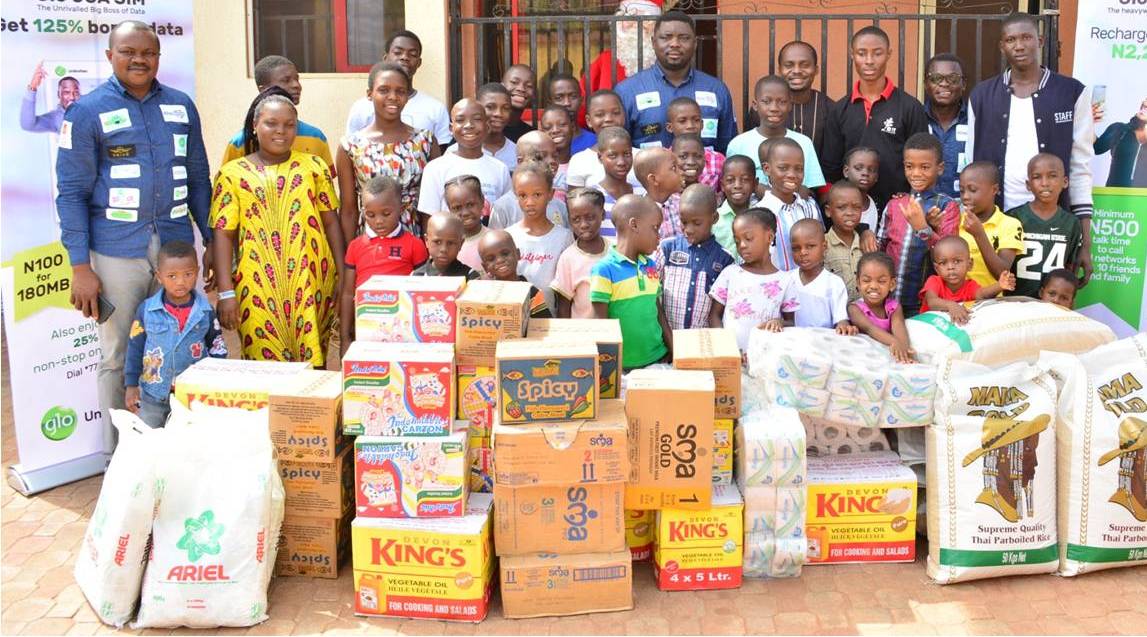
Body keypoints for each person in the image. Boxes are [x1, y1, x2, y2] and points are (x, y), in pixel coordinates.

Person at [57, 21, 214, 451]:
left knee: (183, 342)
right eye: (128, 52)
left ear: (159, 57)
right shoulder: (86, 112)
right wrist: (80, 266)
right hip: (115, 251)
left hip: (175, 250)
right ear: (110, 56)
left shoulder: (181, 106)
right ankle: (119, 457)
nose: (139, 60)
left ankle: (175, 449)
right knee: (118, 354)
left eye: (148, 52)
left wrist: (211, 240)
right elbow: (71, 193)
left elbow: (198, 178)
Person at [212, 93, 345, 367]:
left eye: (289, 125)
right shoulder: (232, 174)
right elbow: (223, 234)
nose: (281, 131)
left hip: (312, 282)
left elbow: (331, 222)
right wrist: (225, 292)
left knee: (312, 364)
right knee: (263, 367)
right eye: (271, 123)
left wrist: (343, 275)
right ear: (254, 126)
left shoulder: (314, 167)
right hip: (257, 286)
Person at [966, 13, 1095, 284]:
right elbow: (970, 164)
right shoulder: (981, 96)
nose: (1019, 46)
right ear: (1002, 46)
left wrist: (1085, 243)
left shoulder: (1072, 93)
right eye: (1011, 40)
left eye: (1026, 37)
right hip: (996, 222)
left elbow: (1080, 168)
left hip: (1052, 226)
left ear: (1040, 41)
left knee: (1047, 299)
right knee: (997, 296)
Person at [822, 26, 928, 209]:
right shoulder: (839, 110)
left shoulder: (910, 107)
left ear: (888, 54)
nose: (869, 61)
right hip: (853, 212)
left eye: (877, 53)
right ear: (852, 55)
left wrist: (911, 198)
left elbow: (922, 161)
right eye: (862, 53)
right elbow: (830, 167)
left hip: (898, 208)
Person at [123, 241, 226, 428]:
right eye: (172, 276)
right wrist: (131, 386)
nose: (180, 282)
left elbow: (217, 348)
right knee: (149, 437)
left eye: (188, 274)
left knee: (188, 439)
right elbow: (135, 348)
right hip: (153, 395)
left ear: (197, 272)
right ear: (159, 276)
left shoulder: (205, 311)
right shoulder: (147, 310)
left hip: (192, 396)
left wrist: (217, 383)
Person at [337, 63, 438, 241]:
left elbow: (433, 205)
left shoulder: (425, 141)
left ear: (407, 96)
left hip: (415, 239)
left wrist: (430, 249)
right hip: (370, 243)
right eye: (384, 90)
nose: (393, 97)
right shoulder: (351, 146)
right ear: (370, 94)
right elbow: (349, 210)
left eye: (400, 91)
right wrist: (349, 255)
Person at [615, 11, 737, 153]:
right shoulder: (628, 91)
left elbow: (728, 149)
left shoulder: (716, 90)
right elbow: (618, 150)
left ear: (695, 43)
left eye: (684, 38)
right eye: (666, 37)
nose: (675, 44)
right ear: (653, 42)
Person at [877, 132, 960, 317]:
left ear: (940, 168)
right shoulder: (895, 204)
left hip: (924, 304)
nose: (915, 173)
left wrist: (923, 229)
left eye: (924, 167)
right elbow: (881, 249)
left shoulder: (947, 206)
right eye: (909, 166)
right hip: (888, 300)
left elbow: (949, 258)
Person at [591, 194, 672, 368]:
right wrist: (606, 369)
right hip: (621, 367)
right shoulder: (604, 270)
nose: (658, 236)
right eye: (655, 228)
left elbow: (657, 310)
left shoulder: (650, 265)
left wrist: (673, 349)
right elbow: (600, 324)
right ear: (634, 224)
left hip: (658, 359)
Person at [708, 207, 799, 351]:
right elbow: (714, 315)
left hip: (765, 357)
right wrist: (725, 346)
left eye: (748, 238)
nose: (742, 245)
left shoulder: (785, 280)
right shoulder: (730, 273)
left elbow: (791, 322)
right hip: (731, 356)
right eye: (737, 241)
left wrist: (779, 322)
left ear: (769, 237)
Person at [221, 55, 332, 170]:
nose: (296, 85)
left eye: (297, 79)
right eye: (286, 80)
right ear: (263, 89)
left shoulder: (316, 137)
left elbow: (325, 178)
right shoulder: (240, 143)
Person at [344, 30, 452, 148]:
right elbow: (351, 148)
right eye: (398, 52)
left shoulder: (435, 109)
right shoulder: (361, 108)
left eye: (412, 54)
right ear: (385, 58)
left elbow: (442, 154)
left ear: (419, 63)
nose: (405, 57)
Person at [656, 184, 733, 331]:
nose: (689, 229)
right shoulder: (667, 248)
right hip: (666, 336)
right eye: (684, 222)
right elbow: (652, 291)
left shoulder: (725, 259)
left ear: (714, 218)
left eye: (697, 223)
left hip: (703, 339)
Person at [727, 75, 825, 189]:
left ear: (790, 105)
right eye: (766, 101)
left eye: (782, 102)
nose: (774, 108)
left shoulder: (804, 143)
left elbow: (812, 188)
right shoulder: (738, 144)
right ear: (755, 105)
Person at [417, 99, 512, 217]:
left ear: (487, 127)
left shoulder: (500, 169)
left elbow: (507, 214)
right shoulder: (435, 169)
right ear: (451, 128)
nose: (469, 125)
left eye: (477, 119)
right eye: (460, 120)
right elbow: (429, 218)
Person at [1007, 153, 1082, 298]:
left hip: (1052, 305)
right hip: (1015, 302)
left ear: (1065, 182)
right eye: (1037, 177)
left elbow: (1069, 269)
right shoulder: (1013, 217)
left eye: (1052, 176)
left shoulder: (1071, 223)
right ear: (1028, 185)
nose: (1045, 183)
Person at [505, 161, 574, 310]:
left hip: (549, 319)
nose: (529, 202)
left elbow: (565, 289)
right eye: (523, 195)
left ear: (550, 194)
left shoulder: (564, 238)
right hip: (514, 316)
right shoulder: (508, 236)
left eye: (537, 194)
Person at [920, 236, 1017, 323]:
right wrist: (951, 305)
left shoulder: (969, 285)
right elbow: (932, 302)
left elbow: (982, 294)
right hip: (929, 326)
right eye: (943, 263)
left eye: (957, 261)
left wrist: (1000, 286)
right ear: (937, 269)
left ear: (969, 265)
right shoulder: (934, 281)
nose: (950, 267)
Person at [759, 137, 822, 271]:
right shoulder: (758, 215)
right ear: (767, 169)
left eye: (799, 169)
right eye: (783, 168)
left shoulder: (810, 208)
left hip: (807, 281)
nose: (792, 175)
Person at [958, 161, 1023, 289]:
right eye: (961, 190)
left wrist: (979, 234)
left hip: (991, 299)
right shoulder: (956, 221)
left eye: (973, 190)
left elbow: (1002, 274)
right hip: (957, 298)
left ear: (994, 190)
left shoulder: (1010, 224)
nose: (965, 196)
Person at [489, 131, 569, 229]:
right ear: (520, 161)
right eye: (541, 157)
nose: (551, 161)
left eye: (555, 156)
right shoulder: (503, 207)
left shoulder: (560, 207)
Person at [553, 188, 611, 319]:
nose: (584, 225)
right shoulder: (568, 258)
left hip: (616, 329)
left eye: (590, 217)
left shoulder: (615, 251)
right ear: (569, 220)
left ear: (602, 215)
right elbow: (563, 306)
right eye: (576, 219)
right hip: (583, 330)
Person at [790, 218, 855, 334]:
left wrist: (843, 325)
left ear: (824, 247)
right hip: (793, 341)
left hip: (823, 341)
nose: (803, 252)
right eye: (796, 248)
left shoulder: (834, 283)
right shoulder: (788, 280)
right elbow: (785, 318)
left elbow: (841, 319)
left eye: (810, 246)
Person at [847, 252, 914, 363]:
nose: (873, 286)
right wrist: (895, 342)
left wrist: (904, 351)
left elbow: (899, 328)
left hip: (886, 357)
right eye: (866, 280)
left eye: (881, 281)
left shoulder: (894, 307)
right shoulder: (854, 309)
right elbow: (870, 328)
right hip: (862, 358)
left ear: (892, 284)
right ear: (858, 283)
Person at [568, 89, 642, 188]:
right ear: (589, 121)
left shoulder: (641, 158)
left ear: (624, 116)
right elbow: (575, 197)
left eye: (615, 113)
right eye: (600, 115)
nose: (608, 119)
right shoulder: (579, 161)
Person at [583, 0, 661, 94]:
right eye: (623, 17)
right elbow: (582, 93)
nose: (626, 24)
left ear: (651, 26)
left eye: (633, 17)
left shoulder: (663, 61)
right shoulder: (606, 58)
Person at [779, 41, 830, 172]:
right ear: (780, 70)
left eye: (805, 65)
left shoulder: (829, 109)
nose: (796, 71)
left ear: (816, 70)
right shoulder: (764, 110)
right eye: (789, 65)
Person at [478, 229, 553, 318]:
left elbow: (543, 322)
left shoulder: (530, 292)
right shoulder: (484, 295)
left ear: (517, 254)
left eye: (505, 254)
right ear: (485, 267)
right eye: (491, 259)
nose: (500, 260)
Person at [924, 53, 969, 199]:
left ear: (963, 84)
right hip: (922, 207)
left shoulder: (975, 120)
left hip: (965, 208)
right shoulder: (915, 118)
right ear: (926, 84)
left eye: (953, 78)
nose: (944, 84)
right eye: (936, 78)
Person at [592, 126, 647, 238]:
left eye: (627, 154)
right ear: (600, 157)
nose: (621, 162)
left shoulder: (643, 193)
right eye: (613, 156)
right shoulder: (593, 197)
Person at [822, 181, 868, 303]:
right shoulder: (822, 245)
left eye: (856, 207)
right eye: (841, 207)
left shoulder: (866, 244)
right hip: (834, 311)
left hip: (864, 310)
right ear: (828, 211)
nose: (849, 213)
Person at [665, 97, 724, 191]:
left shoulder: (718, 160)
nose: (690, 126)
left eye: (696, 120)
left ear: (702, 124)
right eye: (682, 121)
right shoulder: (662, 162)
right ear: (669, 127)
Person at [1094, 97, 1147, 188]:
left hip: (1143, 195)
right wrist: (1089, 122)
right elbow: (1097, 148)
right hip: (1115, 193)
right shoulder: (1119, 129)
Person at [713, 155, 759, 257]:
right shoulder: (714, 220)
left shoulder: (761, 218)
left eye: (745, 179)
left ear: (755, 184)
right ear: (722, 186)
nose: (737, 185)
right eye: (730, 180)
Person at [634, 147, 683, 238]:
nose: (681, 172)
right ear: (653, 179)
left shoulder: (684, 203)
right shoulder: (640, 212)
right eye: (674, 168)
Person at [445, 175, 490, 274]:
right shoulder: (446, 245)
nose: (465, 213)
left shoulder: (494, 240)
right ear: (449, 209)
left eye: (470, 205)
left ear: (482, 201)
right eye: (457, 208)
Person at [414, 214, 478, 279]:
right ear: (426, 241)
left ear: (461, 244)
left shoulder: (470, 276)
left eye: (450, 243)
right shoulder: (416, 276)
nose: (444, 249)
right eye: (437, 242)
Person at [22, 62, 79, 133]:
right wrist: (32, 87)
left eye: (76, 92)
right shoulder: (55, 118)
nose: (72, 97)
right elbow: (27, 125)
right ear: (59, 95)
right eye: (66, 92)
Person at [470, 82, 517, 169]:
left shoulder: (517, 152)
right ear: (477, 108)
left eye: (505, 108)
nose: (498, 114)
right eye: (490, 107)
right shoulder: (458, 152)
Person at [549, 73, 596, 153]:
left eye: (573, 96)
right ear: (550, 103)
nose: (567, 103)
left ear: (581, 100)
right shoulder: (542, 142)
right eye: (559, 98)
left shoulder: (594, 142)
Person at [538, 105, 575, 199]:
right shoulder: (536, 167)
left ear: (573, 127)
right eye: (548, 127)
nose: (555, 130)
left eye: (562, 124)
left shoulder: (581, 164)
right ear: (541, 132)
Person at [842, 146, 881, 231]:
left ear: (877, 176)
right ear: (846, 171)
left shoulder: (878, 205)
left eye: (871, 170)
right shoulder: (836, 202)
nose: (865, 173)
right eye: (858, 168)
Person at [502, 64, 537, 142]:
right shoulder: (486, 130)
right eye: (514, 82)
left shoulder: (531, 136)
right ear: (502, 86)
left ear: (534, 94)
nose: (521, 89)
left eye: (529, 86)